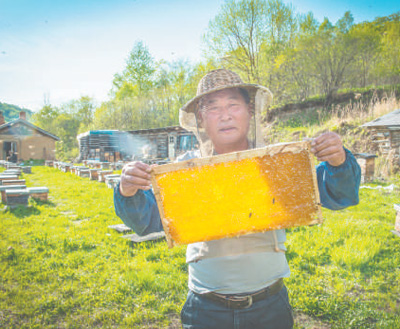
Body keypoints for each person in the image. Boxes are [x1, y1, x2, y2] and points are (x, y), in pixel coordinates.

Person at [114, 69, 361, 329]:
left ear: (250, 110)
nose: (225, 115)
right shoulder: (185, 172)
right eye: (214, 108)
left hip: (270, 308)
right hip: (205, 312)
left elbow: (339, 196)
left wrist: (338, 161)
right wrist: (127, 191)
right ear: (201, 118)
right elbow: (148, 220)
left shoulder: (277, 162)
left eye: (233, 104)